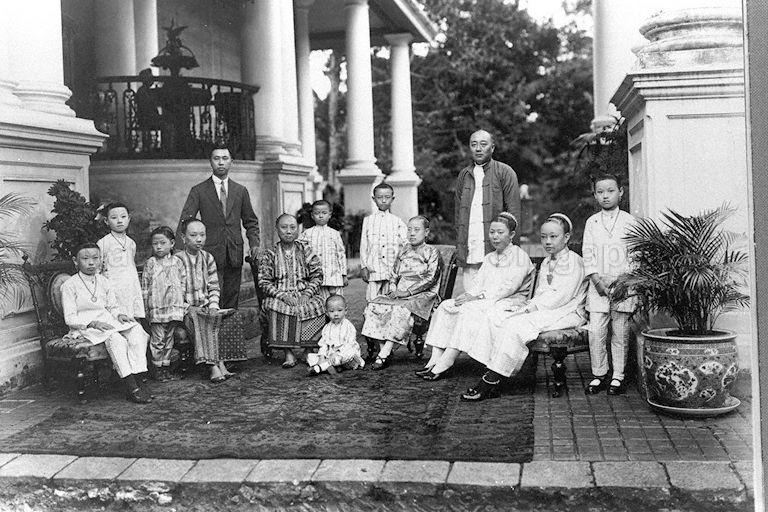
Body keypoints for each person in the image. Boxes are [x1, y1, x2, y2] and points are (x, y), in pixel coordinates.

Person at [460, 213, 588, 401]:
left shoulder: (574, 261)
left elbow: (561, 297)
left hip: (568, 311)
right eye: (544, 237)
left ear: (566, 237)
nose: (548, 242)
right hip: (547, 309)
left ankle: (491, 381)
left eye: (554, 237)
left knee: (517, 326)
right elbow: (542, 294)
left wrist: (530, 309)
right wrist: (527, 306)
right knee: (501, 318)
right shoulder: (547, 261)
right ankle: (495, 372)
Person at [419, 212, 533, 381]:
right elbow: (478, 283)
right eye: (492, 232)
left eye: (500, 232)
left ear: (512, 235)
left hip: (509, 301)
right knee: (446, 306)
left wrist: (477, 298)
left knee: (469, 309)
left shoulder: (519, 257)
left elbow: (508, 288)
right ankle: (434, 359)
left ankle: (447, 361)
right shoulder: (489, 257)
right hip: (485, 299)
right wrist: (469, 294)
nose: (495, 236)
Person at [61, 243, 151, 404]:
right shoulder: (69, 285)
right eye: (85, 258)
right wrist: (92, 323)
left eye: (95, 258)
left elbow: (112, 307)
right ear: (75, 261)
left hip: (108, 321)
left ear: (101, 260)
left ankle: (140, 378)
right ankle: (131, 386)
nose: (91, 263)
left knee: (138, 331)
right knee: (116, 340)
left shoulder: (104, 281)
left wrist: (120, 315)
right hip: (85, 326)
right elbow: (69, 317)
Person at [177, 145, 260, 309]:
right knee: (213, 297)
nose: (221, 163)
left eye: (225, 158)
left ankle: (228, 333)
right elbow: (185, 221)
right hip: (209, 253)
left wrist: (255, 244)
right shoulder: (199, 190)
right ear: (210, 162)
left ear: (231, 162)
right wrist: (180, 251)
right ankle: (212, 333)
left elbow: (251, 221)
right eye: (216, 159)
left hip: (234, 252)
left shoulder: (240, 191)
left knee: (232, 298)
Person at [362, 215, 442, 370]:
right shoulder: (403, 250)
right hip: (401, 292)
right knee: (374, 305)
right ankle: (385, 346)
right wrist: (393, 289)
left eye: (416, 230)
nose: (412, 233)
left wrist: (408, 292)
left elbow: (431, 278)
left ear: (426, 232)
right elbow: (393, 274)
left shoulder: (432, 252)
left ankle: (384, 353)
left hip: (423, 294)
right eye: (409, 229)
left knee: (401, 309)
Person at [582, 173, 637, 396]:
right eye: (600, 192)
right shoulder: (592, 222)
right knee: (596, 331)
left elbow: (636, 254)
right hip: (598, 286)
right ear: (595, 195)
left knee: (620, 331)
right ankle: (599, 374)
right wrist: (596, 280)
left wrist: (623, 280)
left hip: (623, 285)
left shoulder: (630, 221)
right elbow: (588, 253)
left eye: (610, 191)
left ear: (620, 192)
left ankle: (618, 376)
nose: (606, 196)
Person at [454, 130, 521, 292]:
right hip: (471, 246)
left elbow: (514, 214)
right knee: (470, 297)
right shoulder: (464, 175)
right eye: (474, 144)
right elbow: (458, 216)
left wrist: (512, 252)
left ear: (492, 148)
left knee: (492, 298)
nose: (478, 148)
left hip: (496, 248)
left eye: (483, 144)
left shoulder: (505, 172)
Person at [258, 214, 326, 368]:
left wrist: (307, 293)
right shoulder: (270, 253)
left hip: (303, 292)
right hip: (280, 295)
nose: (288, 231)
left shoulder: (305, 249)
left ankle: (308, 349)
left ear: (297, 230)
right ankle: (288, 352)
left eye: (292, 227)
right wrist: (282, 296)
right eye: (284, 227)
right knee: (275, 308)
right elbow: (264, 281)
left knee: (318, 304)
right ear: (277, 229)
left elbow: (318, 275)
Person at [175, 219, 233, 383]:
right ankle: (213, 366)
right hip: (186, 310)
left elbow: (214, 286)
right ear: (183, 237)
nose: (199, 239)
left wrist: (213, 305)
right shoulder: (177, 260)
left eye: (202, 235)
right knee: (200, 319)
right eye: (193, 235)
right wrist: (190, 308)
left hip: (206, 307)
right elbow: (176, 293)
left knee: (225, 317)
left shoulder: (208, 258)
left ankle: (221, 361)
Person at [359, 182, 407, 358]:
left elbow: (405, 246)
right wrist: (364, 265)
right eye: (380, 197)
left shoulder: (398, 222)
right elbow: (364, 246)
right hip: (374, 271)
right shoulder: (368, 221)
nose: (384, 200)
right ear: (374, 199)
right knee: (371, 307)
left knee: (390, 308)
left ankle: (387, 345)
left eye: (387, 197)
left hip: (391, 273)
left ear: (392, 199)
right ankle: (376, 345)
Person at [141, 226, 187, 382]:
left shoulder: (177, 262)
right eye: (155, 244)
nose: (159, 247)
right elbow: (145, 287)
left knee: (169, 339)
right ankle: (157, 368)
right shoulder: (151, 263)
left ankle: (166, 368)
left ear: (172, 243)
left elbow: (183, 283)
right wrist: (146, 307)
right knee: (158, 339)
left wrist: (182, 302)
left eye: (162, 243)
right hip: (157, 309)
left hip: (173, 308)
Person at [97, 202, 145, 321]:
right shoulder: (103, 243)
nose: (119, 221)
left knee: (132, 319)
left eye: (123, 217)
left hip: (129, 286)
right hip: (113, 286)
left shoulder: (131, 243)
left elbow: (131, 266)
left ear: (129, 219)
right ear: (106, 221)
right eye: (114, 218)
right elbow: (98, 269)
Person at [298, 200, 348, 299]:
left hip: (333, 274)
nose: (321, 216)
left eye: (324, 213)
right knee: (318, 299)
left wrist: (344, 274)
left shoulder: (334, 233)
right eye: (317, 213)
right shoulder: (307, 234)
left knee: (335, 300)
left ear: (329, 215)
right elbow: (300, 252)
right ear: (312, 215)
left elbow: (341, 254)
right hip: (314, 275)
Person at [306, 295, 365, 376]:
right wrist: (322, 356)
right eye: (332, 311)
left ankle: (320, 368)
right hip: (330, 354)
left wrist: (337, 353)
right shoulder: (327, 327)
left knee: (346, 354)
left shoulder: (348, 326)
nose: (336, 314)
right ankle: (331, 366)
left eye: (339, 310)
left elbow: (349, 344)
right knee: (310, 356)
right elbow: (323, 344)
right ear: (327, 313)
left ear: (345, 311)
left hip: (344, 352)